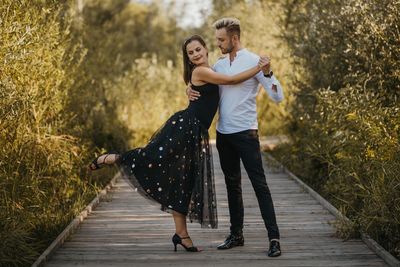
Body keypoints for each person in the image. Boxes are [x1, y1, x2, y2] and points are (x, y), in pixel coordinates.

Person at [89, 34, 270, 253]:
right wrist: (259, 68)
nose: (195, 54)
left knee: (183, 180)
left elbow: (215, 86)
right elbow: (230, 81)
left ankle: (181, 234)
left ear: (205, 48)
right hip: (186, 128)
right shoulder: (202, 71)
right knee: (152, 158)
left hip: (195, 131)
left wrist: (188, 87)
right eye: (190, 53)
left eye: (197, 49)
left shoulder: (210, 70)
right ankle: (112, 157)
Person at [187, 18, 284, 257]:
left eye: (221, 39)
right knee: (233, 187)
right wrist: (189, 89)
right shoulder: (219, 66)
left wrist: (268, 72)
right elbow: (204, 84)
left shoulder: (254, 61)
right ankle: (236, 234)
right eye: (217, 39)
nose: (218, 43)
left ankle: (274, 238)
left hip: (246, 134)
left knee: (259, 185)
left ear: (234, 38)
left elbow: (277, 96)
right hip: (223, 135)